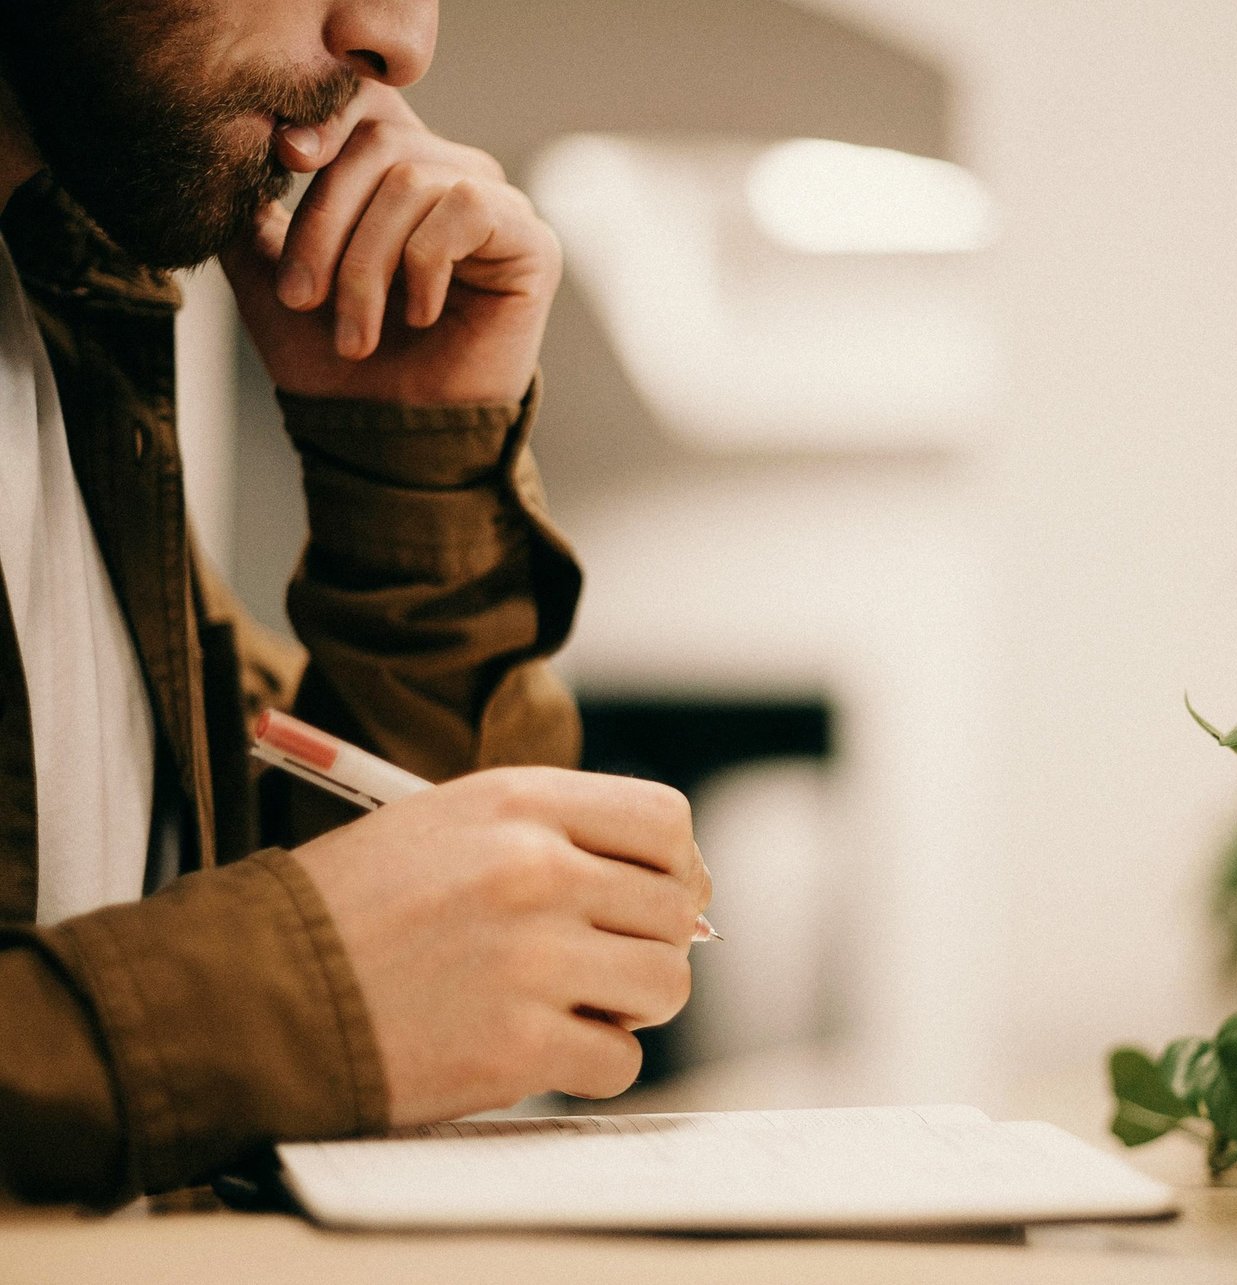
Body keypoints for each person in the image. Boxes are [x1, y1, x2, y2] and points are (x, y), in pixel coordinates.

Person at [0, 0, 712, 1206]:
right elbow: (307, 967)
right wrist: (292, 997)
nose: (402, 39)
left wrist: (409, 466)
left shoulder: (76, 327)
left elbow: (383, 908)